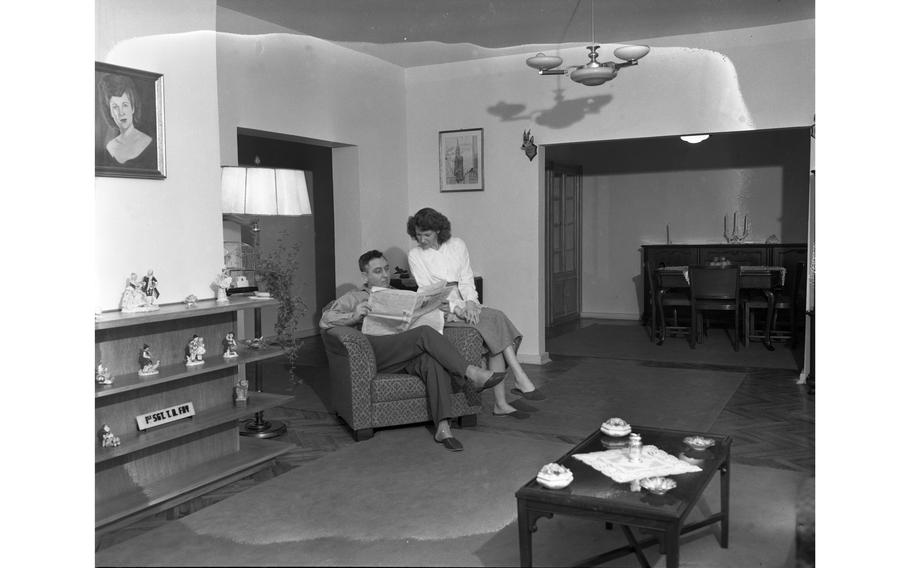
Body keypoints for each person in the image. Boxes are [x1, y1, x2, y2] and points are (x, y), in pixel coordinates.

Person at [319, 250, 505, 451]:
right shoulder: (354, 297)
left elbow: (435, 310)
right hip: (375, 355)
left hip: (404, 353)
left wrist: (450, 311)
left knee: (433, 362)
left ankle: (443, 427)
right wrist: (353, 317)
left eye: (387, 269)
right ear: (365, 276)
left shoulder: (401, 294)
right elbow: (325, 319)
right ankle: (471, 372)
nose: (384, 275)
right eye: (377, 271)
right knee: (423, 333)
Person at [407, 207, 545, 420]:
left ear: (438, 231)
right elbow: (429, 291)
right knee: (495, 321)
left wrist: (471, 303)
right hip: (441, 309)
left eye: (427, 234)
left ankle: (503, 400)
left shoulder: (457, 245)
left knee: (494, 325)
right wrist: (459, 309)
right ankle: (518, 378)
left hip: (465, 303)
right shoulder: (415, 255)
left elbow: (466, 279)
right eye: (418, 235)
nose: (422, 239)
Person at [97, 73, 156, 169]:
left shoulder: (149, 143)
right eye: (115, 107)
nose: (121, 113)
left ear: (133, 107)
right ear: (110, 113)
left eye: (125, 105)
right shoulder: (109, 148)